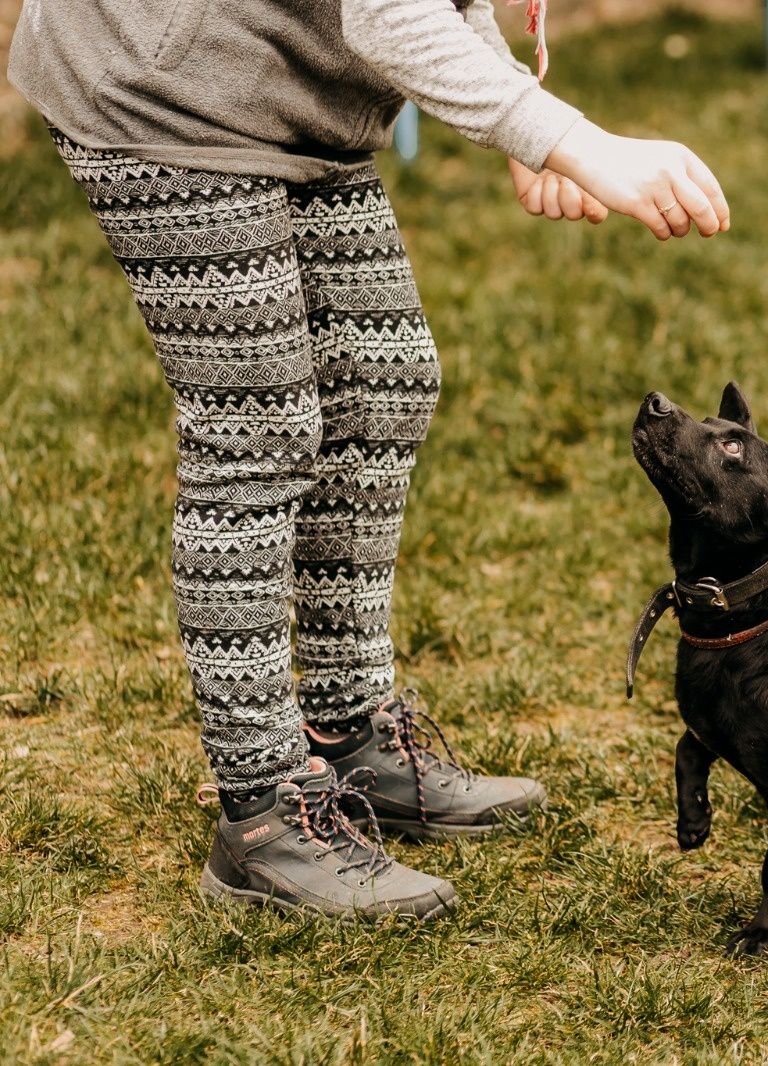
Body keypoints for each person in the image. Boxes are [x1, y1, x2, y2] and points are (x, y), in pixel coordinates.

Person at [7, 0, 731, 918]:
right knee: (255, 428)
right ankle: (262, 818)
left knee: (384, 384)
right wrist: (572, 140)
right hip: (166, 87)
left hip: (292, 87)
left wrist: (520, 113)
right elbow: (391, 12)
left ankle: (351, 735)